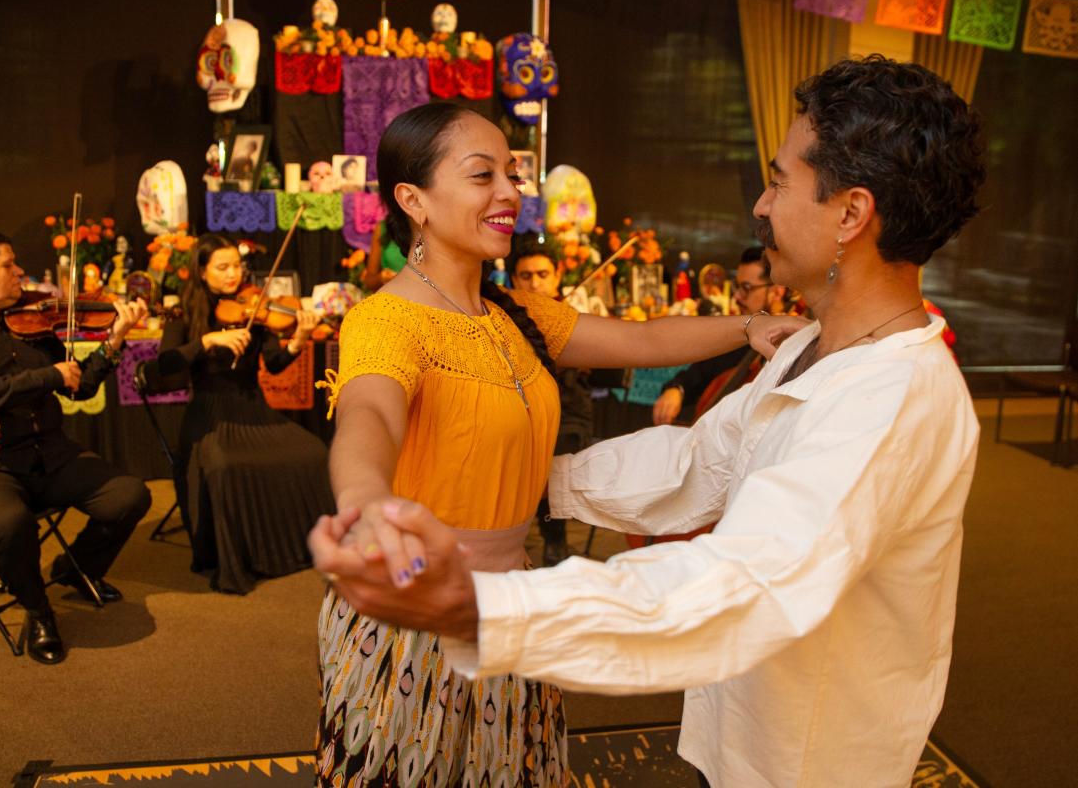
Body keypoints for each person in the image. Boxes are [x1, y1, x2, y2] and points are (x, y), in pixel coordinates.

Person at [311, 56, 986, 788]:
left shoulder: (890, 396)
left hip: (806, 757)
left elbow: (746, 582)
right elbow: (699, 464)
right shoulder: (814, 353)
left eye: (777, 181)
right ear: (413, 198)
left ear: (850, 214)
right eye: (484, 175)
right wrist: (494, 492)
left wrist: (484, 604)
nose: (759, 206)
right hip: (735, 724)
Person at [311, 102, 804, 786]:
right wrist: (364, 499)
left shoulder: (515, 311)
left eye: (511, 175)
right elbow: (368, 413)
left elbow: (640, 339)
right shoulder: (386, 321)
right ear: (412, 200)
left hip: (511, 601)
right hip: (417, 610)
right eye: (482, 175)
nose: (510, 193)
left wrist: (747, 326)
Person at [0, 226, 152, 665]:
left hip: (40, 455)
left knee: (129, 494)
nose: (20, 272)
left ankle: (75, 569)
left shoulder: (27, 322)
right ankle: (38, 609)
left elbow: (77, 385)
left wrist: (114, 340)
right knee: (9, 523)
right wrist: (46, 376)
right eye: (8, 264)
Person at [157, 234, 334, 594]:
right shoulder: (185, 312)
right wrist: (207, 341)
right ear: (202, 271)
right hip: (210, 412)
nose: (232, 274)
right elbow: (165, 368)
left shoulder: (255, 306)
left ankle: (293, 547)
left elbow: (274, 362)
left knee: (314, 451)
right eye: (222, 268)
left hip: (254, 407)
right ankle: (238, 557)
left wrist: (298, 340)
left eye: (236, 266)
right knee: (223, 465)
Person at [510, 244, 591, 565]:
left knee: (548, 457)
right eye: (526, 276)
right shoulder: (503, 320)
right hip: (518, 417)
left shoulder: (571, 320)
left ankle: (554, 540)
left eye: (542, 275)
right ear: (514, 279)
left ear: (557, 277)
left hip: (566, 418)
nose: (535, 284)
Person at [652, 245, 788, 426]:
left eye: (746, 288)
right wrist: (676, 390)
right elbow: (696, 373)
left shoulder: (794, 347)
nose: (737, 297)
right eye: (737, 287)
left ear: (777, 292)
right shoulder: (739, 335)